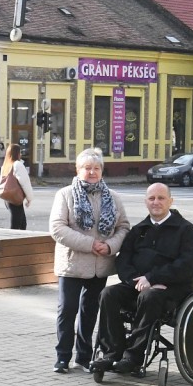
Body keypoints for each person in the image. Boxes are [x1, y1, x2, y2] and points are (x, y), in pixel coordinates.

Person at [91, 183, 193, 374]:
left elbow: (186, 265)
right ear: (145, 202)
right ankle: (111, 353)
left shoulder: (186, 230)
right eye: (151, 198)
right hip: (139, 285)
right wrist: (135, 280)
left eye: (161, 198)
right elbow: (123, 260)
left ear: (170, 201)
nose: (156, 202)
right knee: (108, 294)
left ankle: (133, 357)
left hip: (172, 289)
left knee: (149, 296)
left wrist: (153, 278)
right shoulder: (139, 230)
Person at [49, 148, 130, 374]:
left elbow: (124, 227)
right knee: (67, 310)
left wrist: (110, 245)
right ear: (78, 170)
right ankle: (62, 357)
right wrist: (90, 243)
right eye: (87, 168)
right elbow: (57, 228)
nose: (92, 172)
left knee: (90, 312)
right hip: (72, 263)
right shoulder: (65, 194)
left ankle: (83, 357)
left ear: (102, 171)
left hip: (100, 265)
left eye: (96, 168)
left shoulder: (113, 197)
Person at [0, 143, 33, 230]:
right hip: (16, 197)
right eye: (19, 152)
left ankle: (18, 237)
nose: (20, 154)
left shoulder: (5, 165)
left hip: (8, 197)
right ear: (17, 153)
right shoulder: (17, 164)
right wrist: (29, 198)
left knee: (21, 223)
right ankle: (12, 238)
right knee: (17, 226)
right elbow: (25, 182)